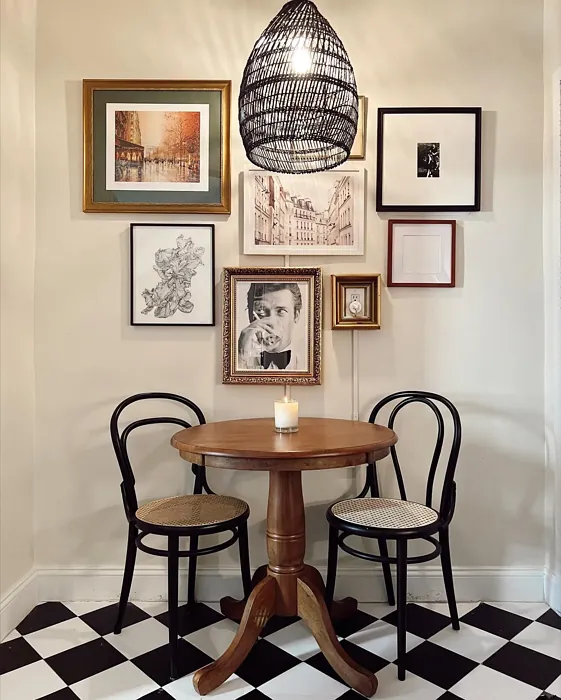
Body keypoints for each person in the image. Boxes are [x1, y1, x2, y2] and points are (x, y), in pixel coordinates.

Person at [238, 282, 304, 370]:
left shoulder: (308, 364)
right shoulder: (237, 361)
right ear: (250, 316)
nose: (271, 322)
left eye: (281, 311)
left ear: (296, 316)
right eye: (261, 311)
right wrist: (241, 359)